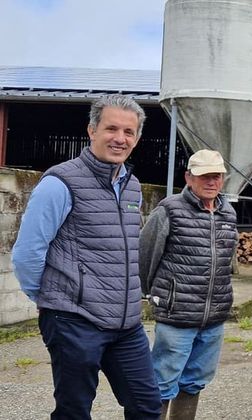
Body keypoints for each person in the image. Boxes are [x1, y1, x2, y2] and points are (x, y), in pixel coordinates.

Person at [11, 95, 162, 419]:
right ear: (91, 130)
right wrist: (54, 300)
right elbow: (27, 254)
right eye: (111, 128)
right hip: (74, 320)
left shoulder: (132, 186)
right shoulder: (60, 183)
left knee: (147, 406)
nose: (119, 138)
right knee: (74, 410)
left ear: (136, 138)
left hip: (126, 323)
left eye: (128, 132)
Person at [140, 149, 238, 419]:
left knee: (195, 380)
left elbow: (228, 261)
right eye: (204, 176)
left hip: (213, 317)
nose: (211, 182)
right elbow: (146, 256)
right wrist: (155, 295)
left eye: (216, 176)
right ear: (189, 177)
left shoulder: (228, 213)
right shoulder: (169, 210)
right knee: (162, 381)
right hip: (177, 314)